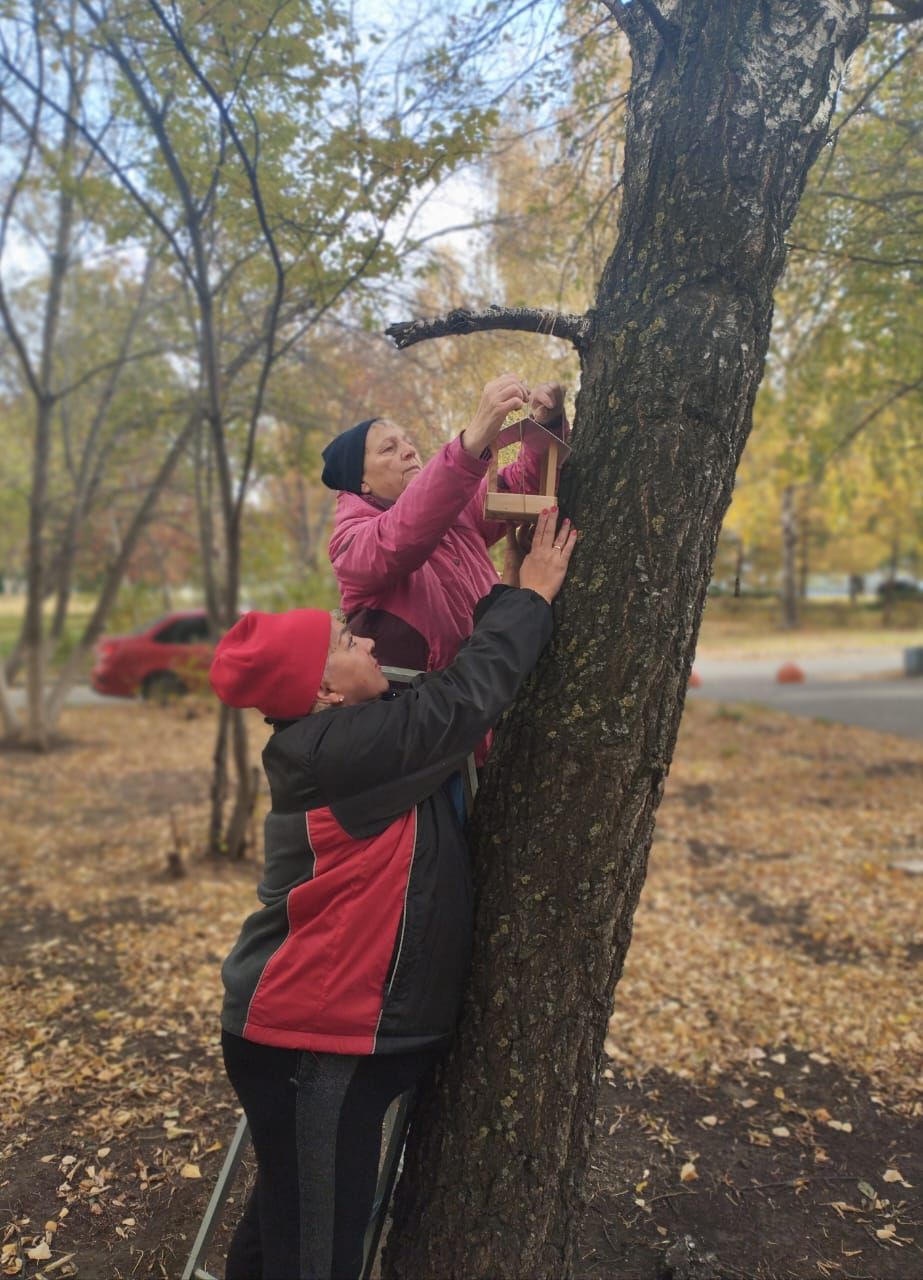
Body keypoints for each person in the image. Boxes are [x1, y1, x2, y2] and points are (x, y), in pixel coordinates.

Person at [209, 508, 578, 1280]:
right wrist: (531, 598)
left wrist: (501, 588)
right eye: (347, 644)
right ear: (320, 691)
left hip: (309, 1034)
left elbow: (439, 701)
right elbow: (459, 703)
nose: (369, 641)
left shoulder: (339, 737)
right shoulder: (338, 751)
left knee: (293, 1223)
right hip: (312, 1040)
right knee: (320, 1255)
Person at [321, 372, 568, 674]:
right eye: (389, 449)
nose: (410, 450)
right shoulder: (350, 545)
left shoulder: (455, 509)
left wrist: (546, 425)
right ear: (361, 482)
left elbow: (525, 485)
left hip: (498, 687)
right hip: (440, 716)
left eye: (406, 442)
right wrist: (472, 441)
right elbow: (400, 537)